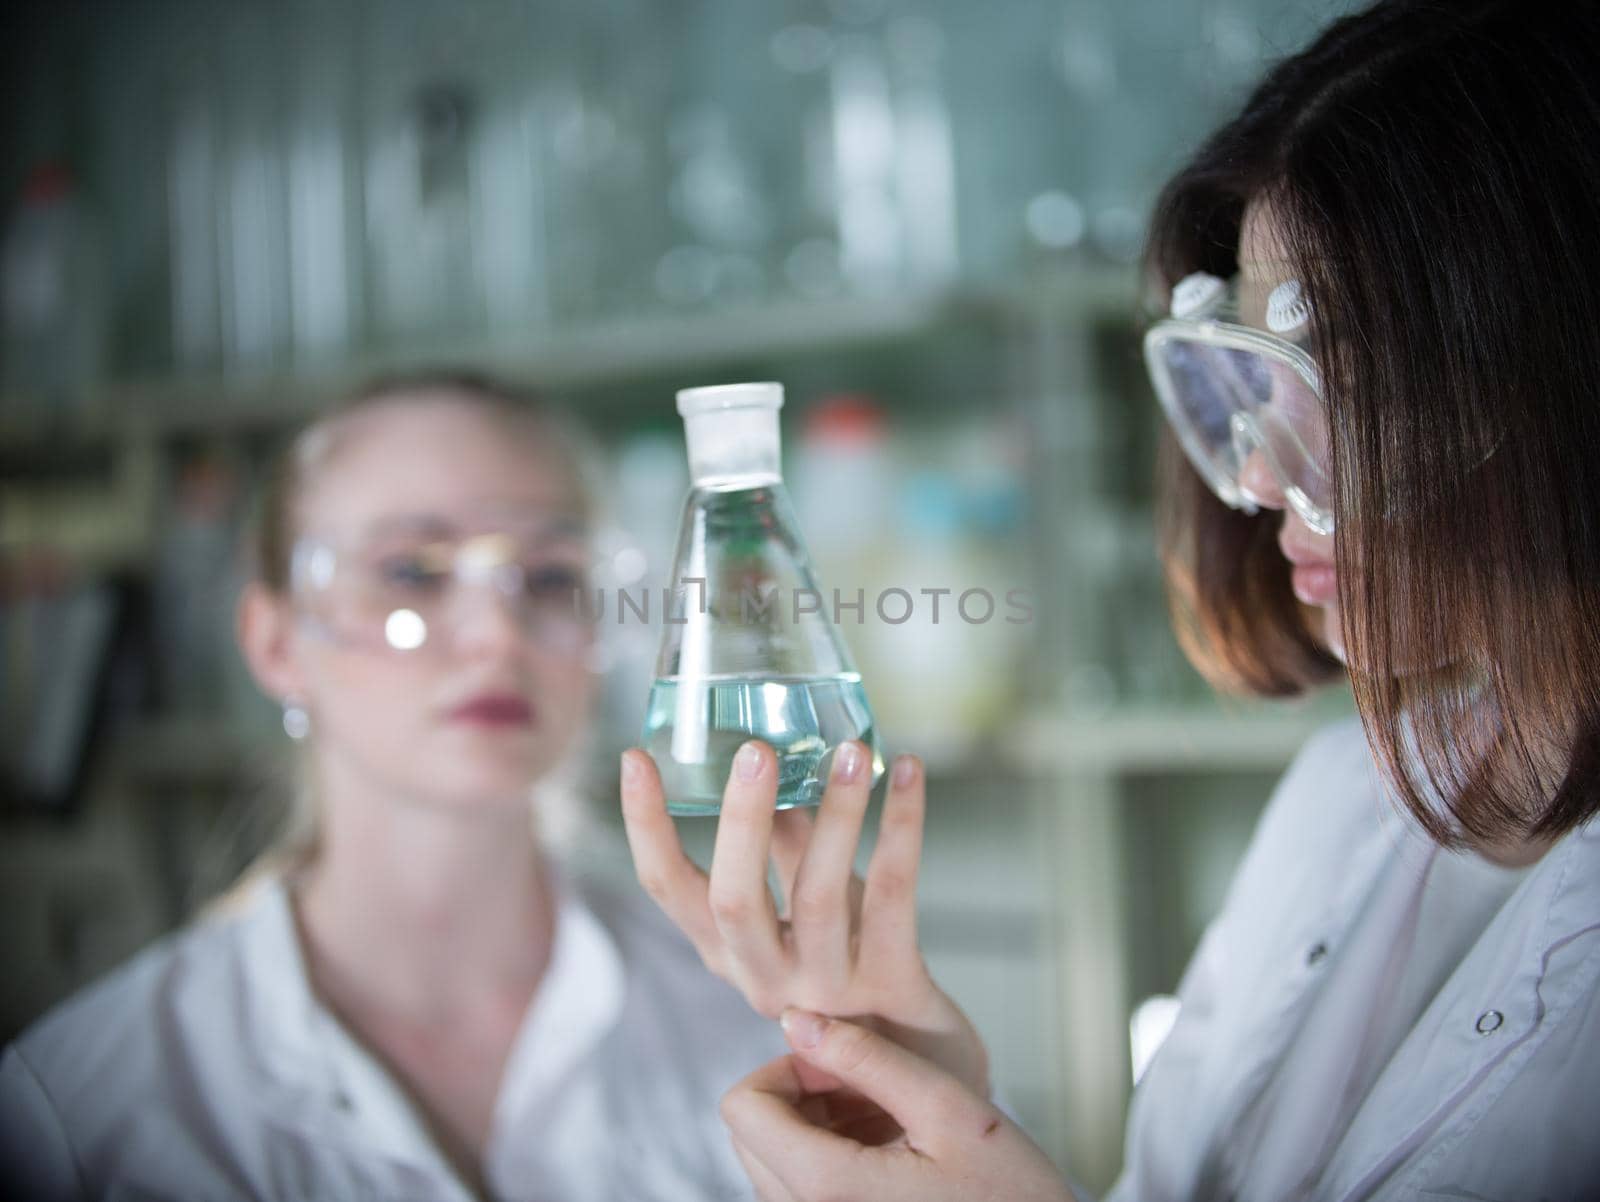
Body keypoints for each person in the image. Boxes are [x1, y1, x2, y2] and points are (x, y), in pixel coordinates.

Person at [619, 2, 1600, 1199]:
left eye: (1346, 376)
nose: (1247, 477)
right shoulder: (1349, 790)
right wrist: (936, 1100)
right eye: (1242, 378)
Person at [0, 372, 784, 1201]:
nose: (495, 635)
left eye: (550, 577)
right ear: (274, 645)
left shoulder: (753, 1030)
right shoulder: (81, 1115)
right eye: (410, 571)